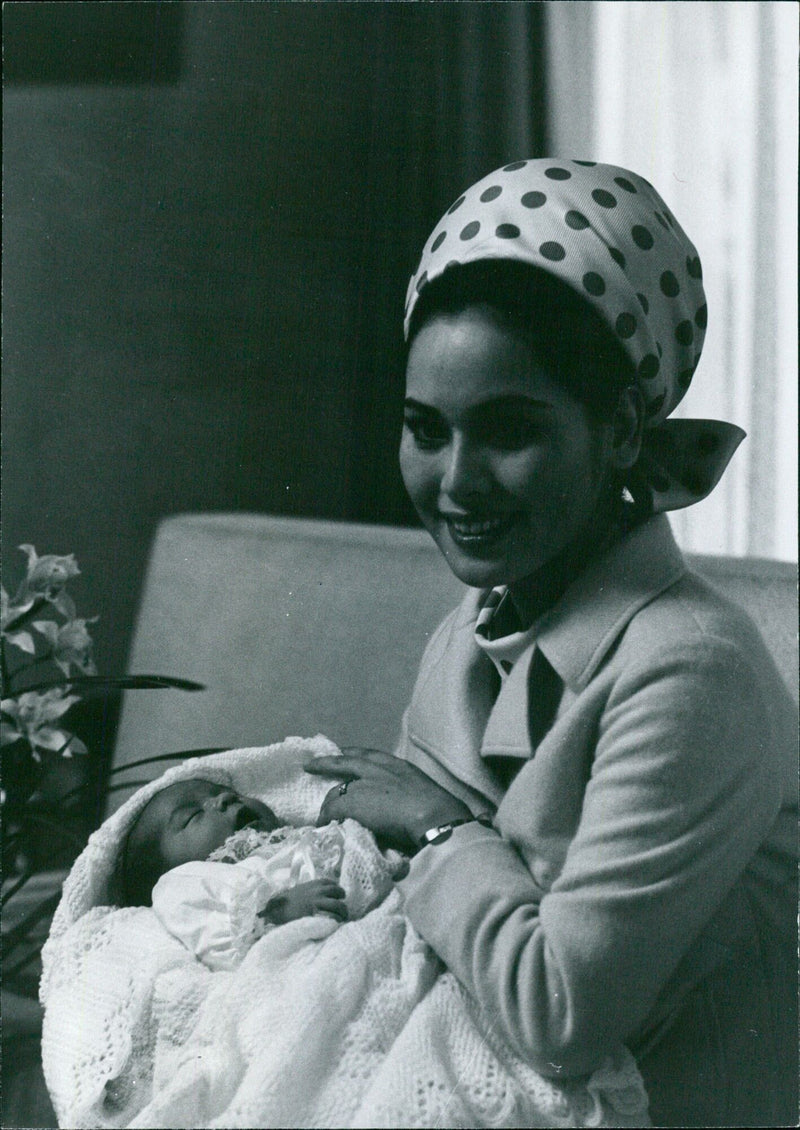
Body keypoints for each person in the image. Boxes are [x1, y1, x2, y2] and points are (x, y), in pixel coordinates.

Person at [305, 159, 798, 1127]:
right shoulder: (467, 635)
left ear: (618, 429)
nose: (454, 480)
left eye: (506, 430)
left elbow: (559, 1009)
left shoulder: (688, 666)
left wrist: (438, 826)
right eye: (424, 428)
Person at [119, 776, 351, 970]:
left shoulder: (298, 836)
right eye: (192, 816)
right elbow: (226, 935)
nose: (224, 798)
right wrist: (277, 912)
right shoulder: (181, 884)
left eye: (230, 792)